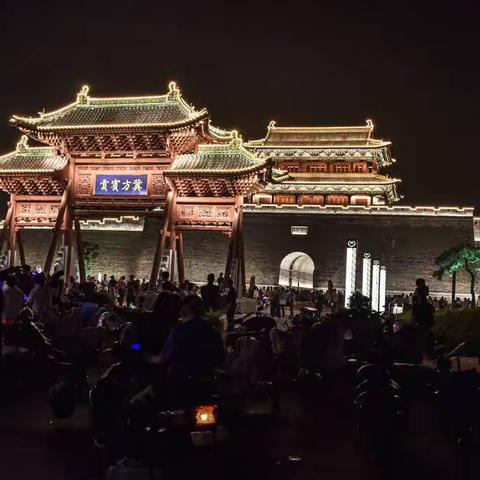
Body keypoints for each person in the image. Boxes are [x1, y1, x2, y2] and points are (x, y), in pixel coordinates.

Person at [160, 295, 224, 387]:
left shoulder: (178, 330)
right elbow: (220, 358)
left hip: (180, 380)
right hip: (206, 380)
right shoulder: (212, 331)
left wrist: (146, 356)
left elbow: (163, 358)